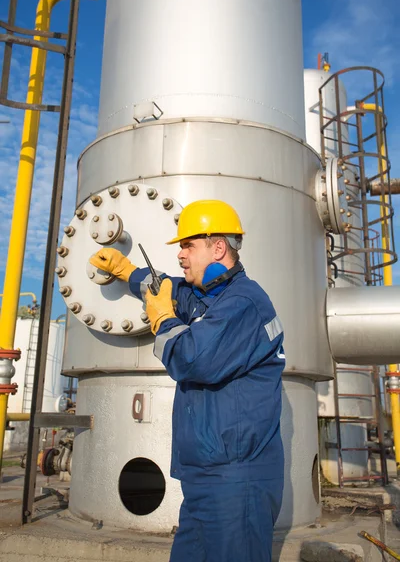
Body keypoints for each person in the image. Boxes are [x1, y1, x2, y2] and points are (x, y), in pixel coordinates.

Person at [90, 199, 285, 562]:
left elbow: (192, 358)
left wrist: (163, 320)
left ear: (219, 247)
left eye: (187, 245)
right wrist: (126, 269)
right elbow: (164, 288)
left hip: (235, 481)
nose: (180, 255)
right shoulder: (206, 297)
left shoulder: (243, 303)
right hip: (204, 479)